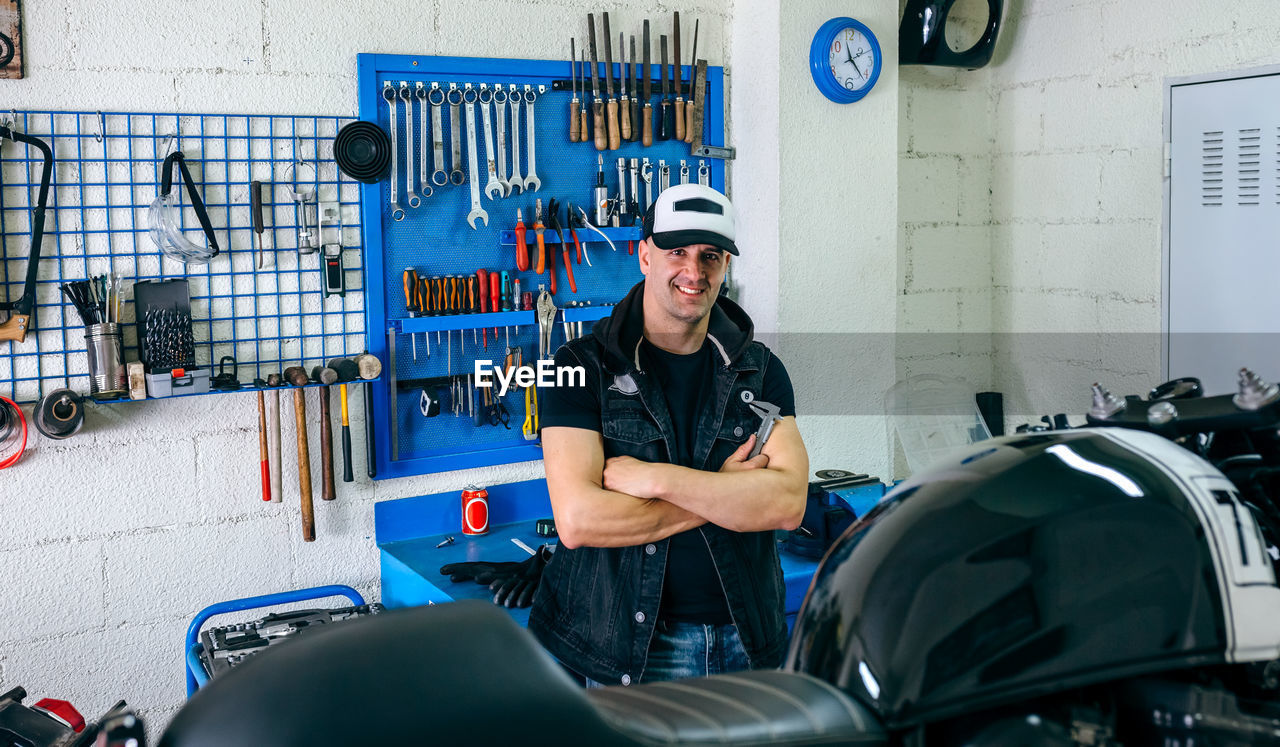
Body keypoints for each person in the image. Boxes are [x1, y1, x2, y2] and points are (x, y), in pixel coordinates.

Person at [529, 183, 809, 688]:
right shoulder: (575, 366)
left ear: (725, 267)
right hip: (632, 650)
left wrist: (654, 478)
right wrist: (726, 492)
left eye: (711, 256)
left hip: (748, 638)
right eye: (676, 251)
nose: (694, 272)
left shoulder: (760, 371)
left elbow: (787, 504)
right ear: (644, 256)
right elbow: (578, 520)